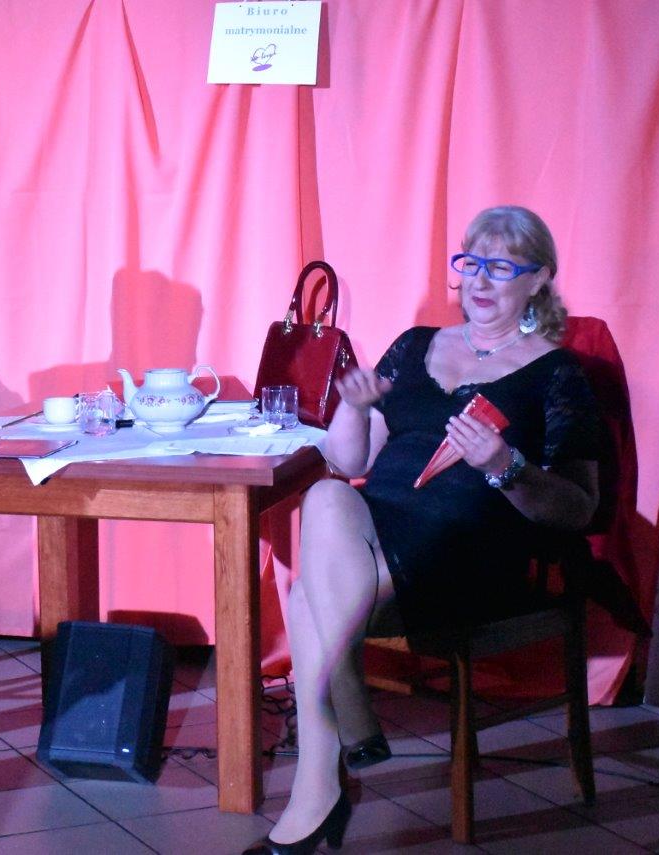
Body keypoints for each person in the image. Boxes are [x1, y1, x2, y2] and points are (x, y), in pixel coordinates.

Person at [246, 206, 602, 854]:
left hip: (468, 546)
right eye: (472, 262)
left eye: (502, 266)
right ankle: (339, 727)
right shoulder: (414, 346)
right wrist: (354, 408)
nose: (480, 280)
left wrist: (504, 465)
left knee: (308, 597)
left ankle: (319, 788)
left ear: (538, 279)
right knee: (325, 494)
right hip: (379, 528)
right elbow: (351, 460)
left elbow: (579, 508)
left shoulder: (557, 374)